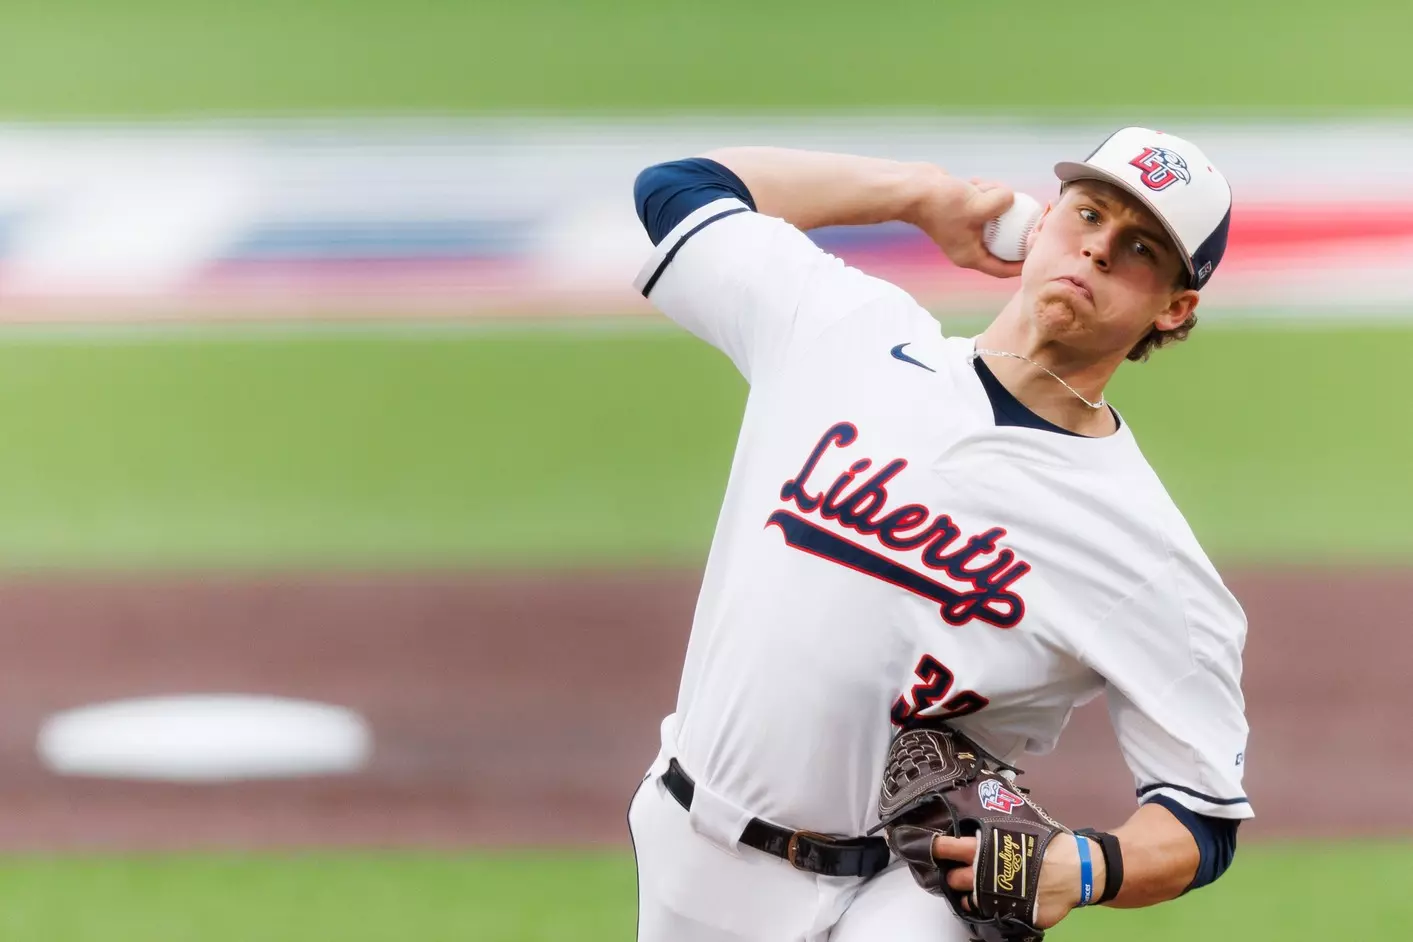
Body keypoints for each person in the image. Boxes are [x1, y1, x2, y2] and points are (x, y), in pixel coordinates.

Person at [626, 127, 1249, 941]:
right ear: (1043, 221)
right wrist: (918, 194)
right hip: (687, 845)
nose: (1096, 249)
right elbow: (679, 187)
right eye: (1087, 215)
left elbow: (1200, 815)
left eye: (1137, 248)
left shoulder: (1144, 549)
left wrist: (1089, 867)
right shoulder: (843, 330)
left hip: (902, 894)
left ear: (1174, 306)